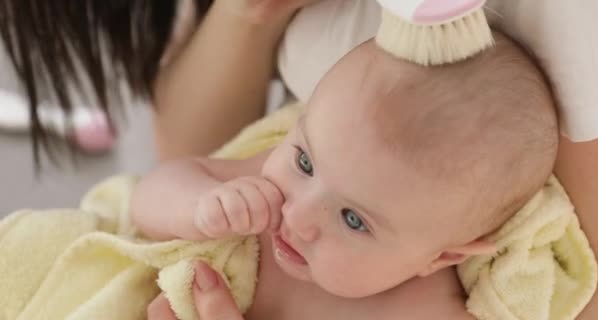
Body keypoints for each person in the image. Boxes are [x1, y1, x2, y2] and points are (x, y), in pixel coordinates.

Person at [133, 34, 558, 319]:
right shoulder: (263, 191)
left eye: (353, 220)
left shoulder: (417, 311)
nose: (297, 217)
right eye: (304, 163)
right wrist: (198, 205)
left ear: (441, 258)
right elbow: (146, 197)